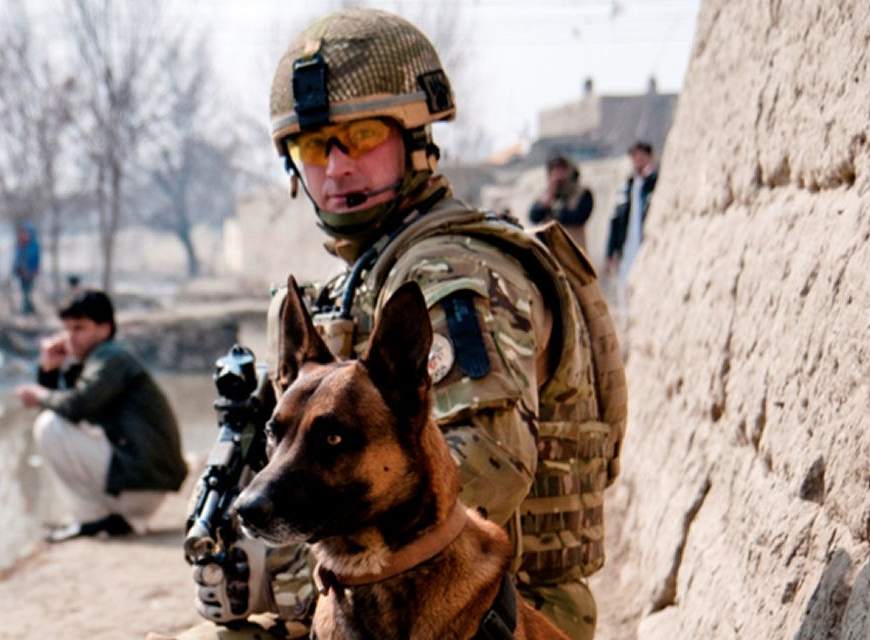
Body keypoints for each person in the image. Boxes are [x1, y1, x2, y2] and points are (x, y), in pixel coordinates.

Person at [159, 8, 626, 640]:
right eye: (312, 147)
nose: (336, 167)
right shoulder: (363, 273)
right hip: (377, 600)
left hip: (486, 609)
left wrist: (285, 562)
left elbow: (487, 465)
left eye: (360, 138)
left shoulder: (456, 271)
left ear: (416, 139)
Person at [14, 289, 187, 542]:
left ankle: (91, 519)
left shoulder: (111, 358)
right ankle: (98, 518)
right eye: (67, 329)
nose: (70, 337)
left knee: (49, 426)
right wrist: (50, 371)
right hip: (140, 485)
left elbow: (76, 406)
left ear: (104, 329)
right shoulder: (101, 360)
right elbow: (69, 408)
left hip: (141, 486)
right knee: (54, 422)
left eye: (79, 328)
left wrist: (39, 393)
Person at [605, 141, 659, 290]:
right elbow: (615, 222)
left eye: (642, 158)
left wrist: (650, 178)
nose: (638, 162)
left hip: (646, 246)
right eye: (635, 158)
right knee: (625, 287)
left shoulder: (654, 184)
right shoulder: (626, 188)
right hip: (627, 248)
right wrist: (610, 253)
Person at [528, 154, 594, 253]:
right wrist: (549, 196)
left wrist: (557, 214)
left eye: (561, 169)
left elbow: (579, 217)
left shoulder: (582, 193)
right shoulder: (545, 196)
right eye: (553, 170)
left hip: (574, 254)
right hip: (551, 256)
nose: (557, 174)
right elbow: (534, 217)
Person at [13, 222, 40, 315]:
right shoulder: (20, 245)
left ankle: (28, 309)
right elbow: (16, 259)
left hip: (30, 273)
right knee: (23, 291)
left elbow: (36, 260)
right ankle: (27, 309)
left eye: (26, 233)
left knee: (28, 292)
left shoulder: (34, 246)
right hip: (21, 272)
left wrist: (33, 270)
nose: (24, 235)